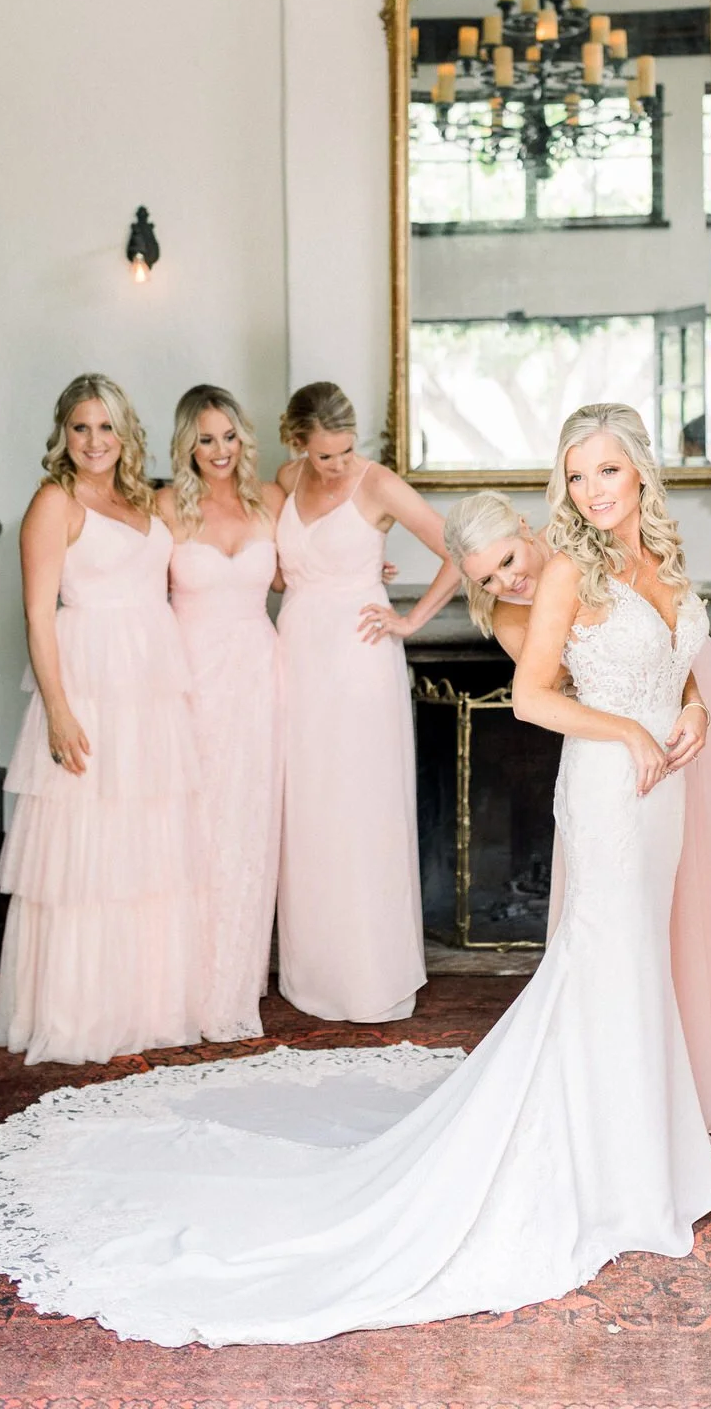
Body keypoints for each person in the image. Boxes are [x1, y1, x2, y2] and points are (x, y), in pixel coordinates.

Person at [0, 401, 711, 1347]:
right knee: (602, 961)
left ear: (640, 471)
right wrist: (631, 728)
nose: (593, 490)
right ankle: (606, 1169)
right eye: (577, 474)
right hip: (609, 788)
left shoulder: (656, 558)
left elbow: (671, 660)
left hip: (662, 795)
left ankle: (642, 1155)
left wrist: (694, 710)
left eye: (607, 470)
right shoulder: (565, 569)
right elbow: (535, 696)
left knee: (636, 965)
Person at [443, 487, 711, 1133]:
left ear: (525, 527)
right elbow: (562, 693)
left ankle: (692, 1066)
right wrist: (631, 727)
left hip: (688, 707)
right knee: (623, 925)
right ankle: (615, 1093)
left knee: (709, 888)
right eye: (488, 579)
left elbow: (664, 641)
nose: (507, 582)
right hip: (623, 759)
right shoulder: (511, 615)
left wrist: (694, 702)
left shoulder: (591, 545)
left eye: (507, 560)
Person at [0, 374, 201, 1065]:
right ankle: (79, 1010)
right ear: (63, 433)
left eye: (106, 426)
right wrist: (58, 711)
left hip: (150, 690)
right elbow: (37, 615)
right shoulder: (54, 501)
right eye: (81, 427)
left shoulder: (142, 499)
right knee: (85, 850)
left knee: (142, 844)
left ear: (124, 432)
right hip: (89, 684)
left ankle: (143, 1005)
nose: (94, 440)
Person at [273, 381, 459, 1022]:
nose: (337, 465)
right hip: (297, 656)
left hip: (359, 661)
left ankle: (370, 974)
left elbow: (459, 550)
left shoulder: (378, 484)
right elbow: (279, 572)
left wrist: (411, 619)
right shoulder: (285, 479)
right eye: (324, 455)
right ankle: (314, 972)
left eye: (346, 451)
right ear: (297, 442)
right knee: (309, 809)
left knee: (360, 808)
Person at [158, 386, 284, 1042]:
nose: (219, 450)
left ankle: (234, 984)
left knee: (248, 828)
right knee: (194, 830)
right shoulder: (164, 507)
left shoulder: (270, 501)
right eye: (205, 439)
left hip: (260, 682)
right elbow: (137, 596)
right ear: (186, 444)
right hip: (190, 683)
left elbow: (298, 575)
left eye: (229, 436)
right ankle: (181, 987)